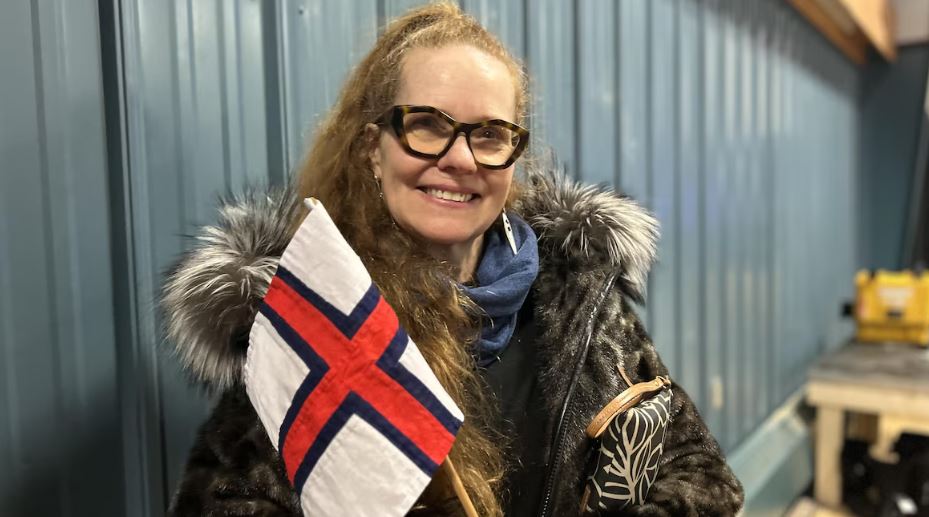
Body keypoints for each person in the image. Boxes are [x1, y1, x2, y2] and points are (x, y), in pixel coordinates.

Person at [161, 3, 744, 515]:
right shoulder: (320, 323)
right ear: (372, 149)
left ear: (514, 156)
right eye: (427, 125)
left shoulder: (579, 297)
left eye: (489, 134)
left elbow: (703, 476)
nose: (460, 158)